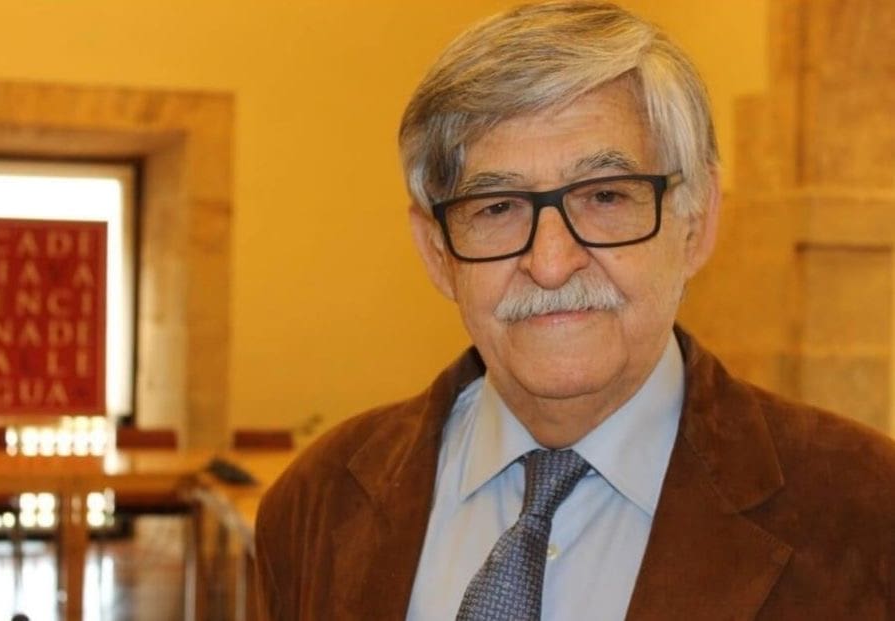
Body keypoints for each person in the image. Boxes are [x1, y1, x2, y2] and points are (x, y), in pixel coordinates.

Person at [252, 2, 895, 619]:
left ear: (696, 223)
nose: (552, 263)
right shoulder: (316, 504)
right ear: (437, 252)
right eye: (498, 207)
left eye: (605, 197)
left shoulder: (866, 517)